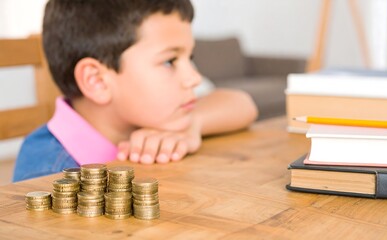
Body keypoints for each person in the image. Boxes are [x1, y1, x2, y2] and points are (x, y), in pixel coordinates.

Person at [13, 0, 258, 182]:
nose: (194, 77)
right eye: (170, 61)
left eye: (189, 57)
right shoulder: (47, 175)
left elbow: (243, 104)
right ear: (97, 80)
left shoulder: (153, 117)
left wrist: (192, 125)